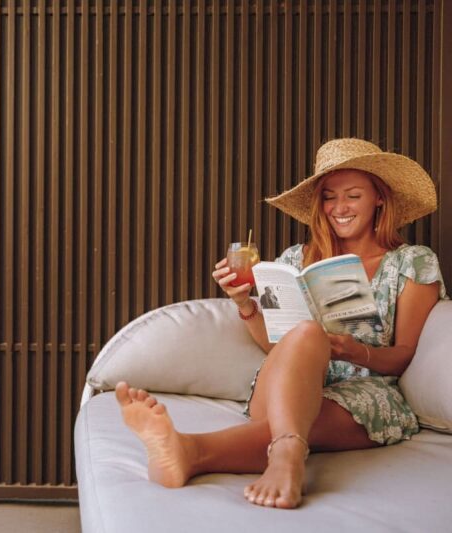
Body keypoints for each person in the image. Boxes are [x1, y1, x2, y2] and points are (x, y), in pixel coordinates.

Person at [114, 138, 447, 509]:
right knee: (305, 333)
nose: (340, 208)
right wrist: (244, 301)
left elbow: (404, 356)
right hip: (286, 382)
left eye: (353, 195)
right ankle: (278, 452)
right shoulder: (294, 259)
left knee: (297, 405)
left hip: (364, 394)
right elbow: (276, 347)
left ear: (379, 198)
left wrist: (356, 351)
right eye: (329, 197)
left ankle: (196, 451)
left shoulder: (412, 262)